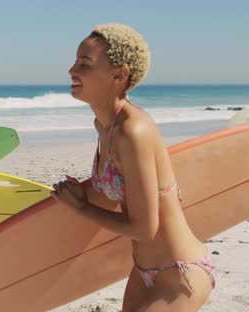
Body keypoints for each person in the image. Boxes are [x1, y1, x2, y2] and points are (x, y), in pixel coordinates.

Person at [50, 24, 215, 311]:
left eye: (84, 64)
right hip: (143, 272)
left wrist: (82, 208)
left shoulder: (133, 131)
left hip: (180, 273)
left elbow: (145, 227)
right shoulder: (104, 125)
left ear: (120, 74)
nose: (71, 70)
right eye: (76, 60)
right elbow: (115, 193)